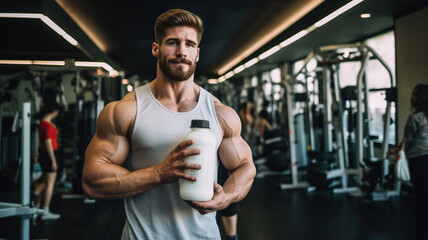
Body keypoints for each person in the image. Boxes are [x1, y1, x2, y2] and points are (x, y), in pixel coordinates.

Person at [82, 9, 256, 240]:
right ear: (156, 49)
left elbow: (246, 166)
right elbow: (92, 180)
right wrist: (159, 173)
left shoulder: (220, 113)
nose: (182, 51)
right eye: (173, 43)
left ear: (197, 54)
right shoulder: (127, 110)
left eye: (190, 45)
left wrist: (227, 197)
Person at [388, 84, 428, 240]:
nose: (412, 97)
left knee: (421, 200)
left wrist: (395, 150)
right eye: (413, 94)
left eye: (416, 95)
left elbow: (407, 142)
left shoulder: (415, 118)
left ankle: (421, 234)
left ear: (423, 98)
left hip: (419, 161)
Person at [34, 103, 61, 220]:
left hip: (43, 155)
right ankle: (45, 211)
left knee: (45, 181)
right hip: (50, 155)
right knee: (49, 184)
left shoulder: (41, 124)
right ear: (55, 111)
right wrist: (54, 161)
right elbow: (49, 144)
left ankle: (36, 208)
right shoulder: (49, 126)